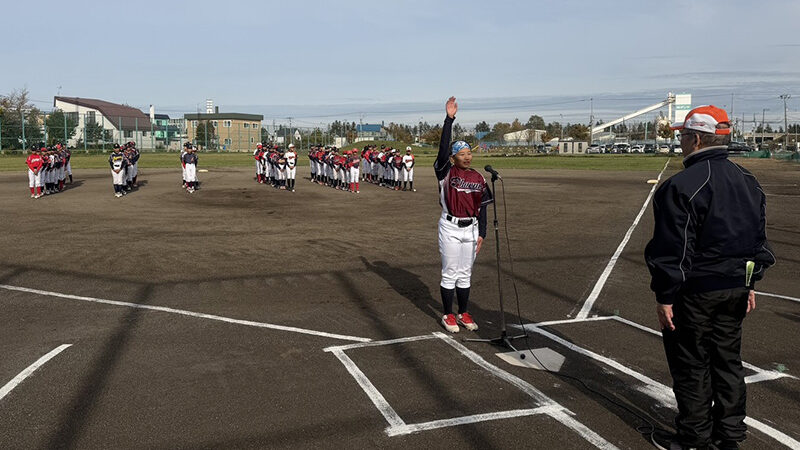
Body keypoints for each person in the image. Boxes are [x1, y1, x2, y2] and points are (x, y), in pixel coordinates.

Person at [645, 105, 776, 450]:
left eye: (684, 136)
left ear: (697, 139)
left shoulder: (681, 186)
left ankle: (694, 437)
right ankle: (729, 435)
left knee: (692, 365)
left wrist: (665, 296)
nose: (681, 142)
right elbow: (757, 242)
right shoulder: (748, 181)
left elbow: (674, 249)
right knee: (728, 361)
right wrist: (749, 284)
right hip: (735, 289)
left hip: (695, 292)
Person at [434, 96, 492, 333]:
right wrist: (449, 120)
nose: (467, 157)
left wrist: (482, 233)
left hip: (472, 228)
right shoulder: (445, 172)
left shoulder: (478, 177)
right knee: (450, 273)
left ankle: (464, 312)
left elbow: (483, 207)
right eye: (462, 153)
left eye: (469, 153)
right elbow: (442, 149)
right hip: (450, 227)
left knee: (465, 274)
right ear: (453, 157)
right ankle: (448, 314)